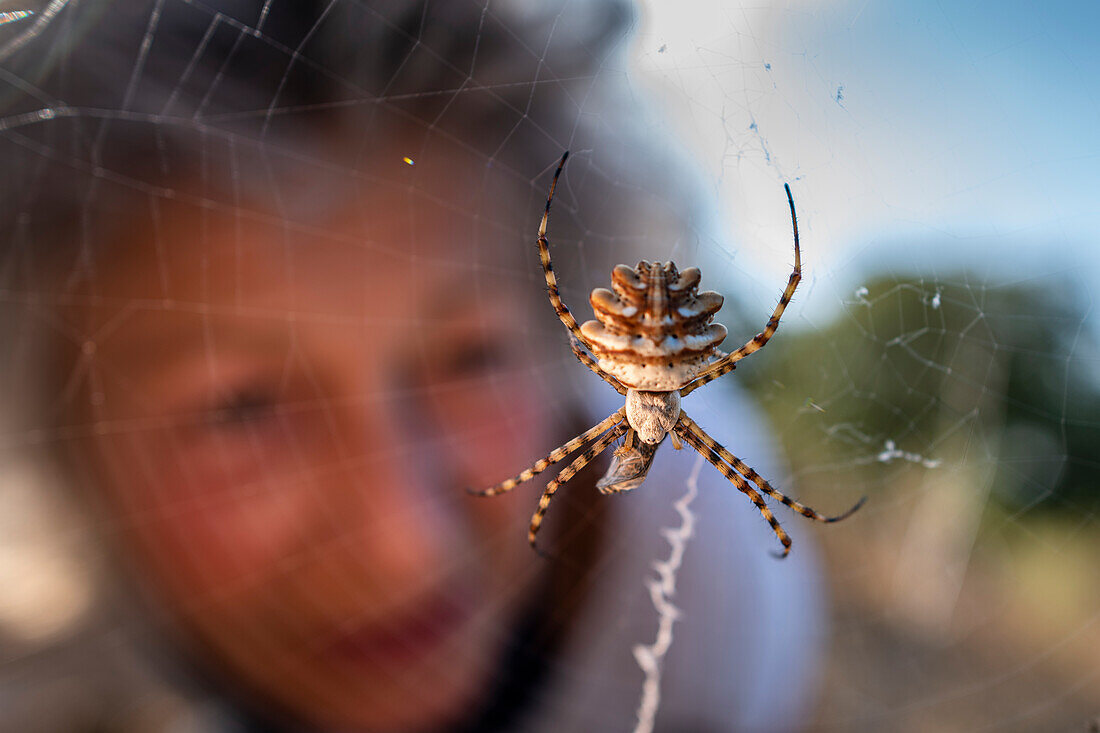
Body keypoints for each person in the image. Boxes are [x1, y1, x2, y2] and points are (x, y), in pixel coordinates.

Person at [0, 1, 826, 730]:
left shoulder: (720, 600)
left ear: (558, 348)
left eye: (472, 357)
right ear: (60, 449)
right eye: (240, 407)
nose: (407, 547)